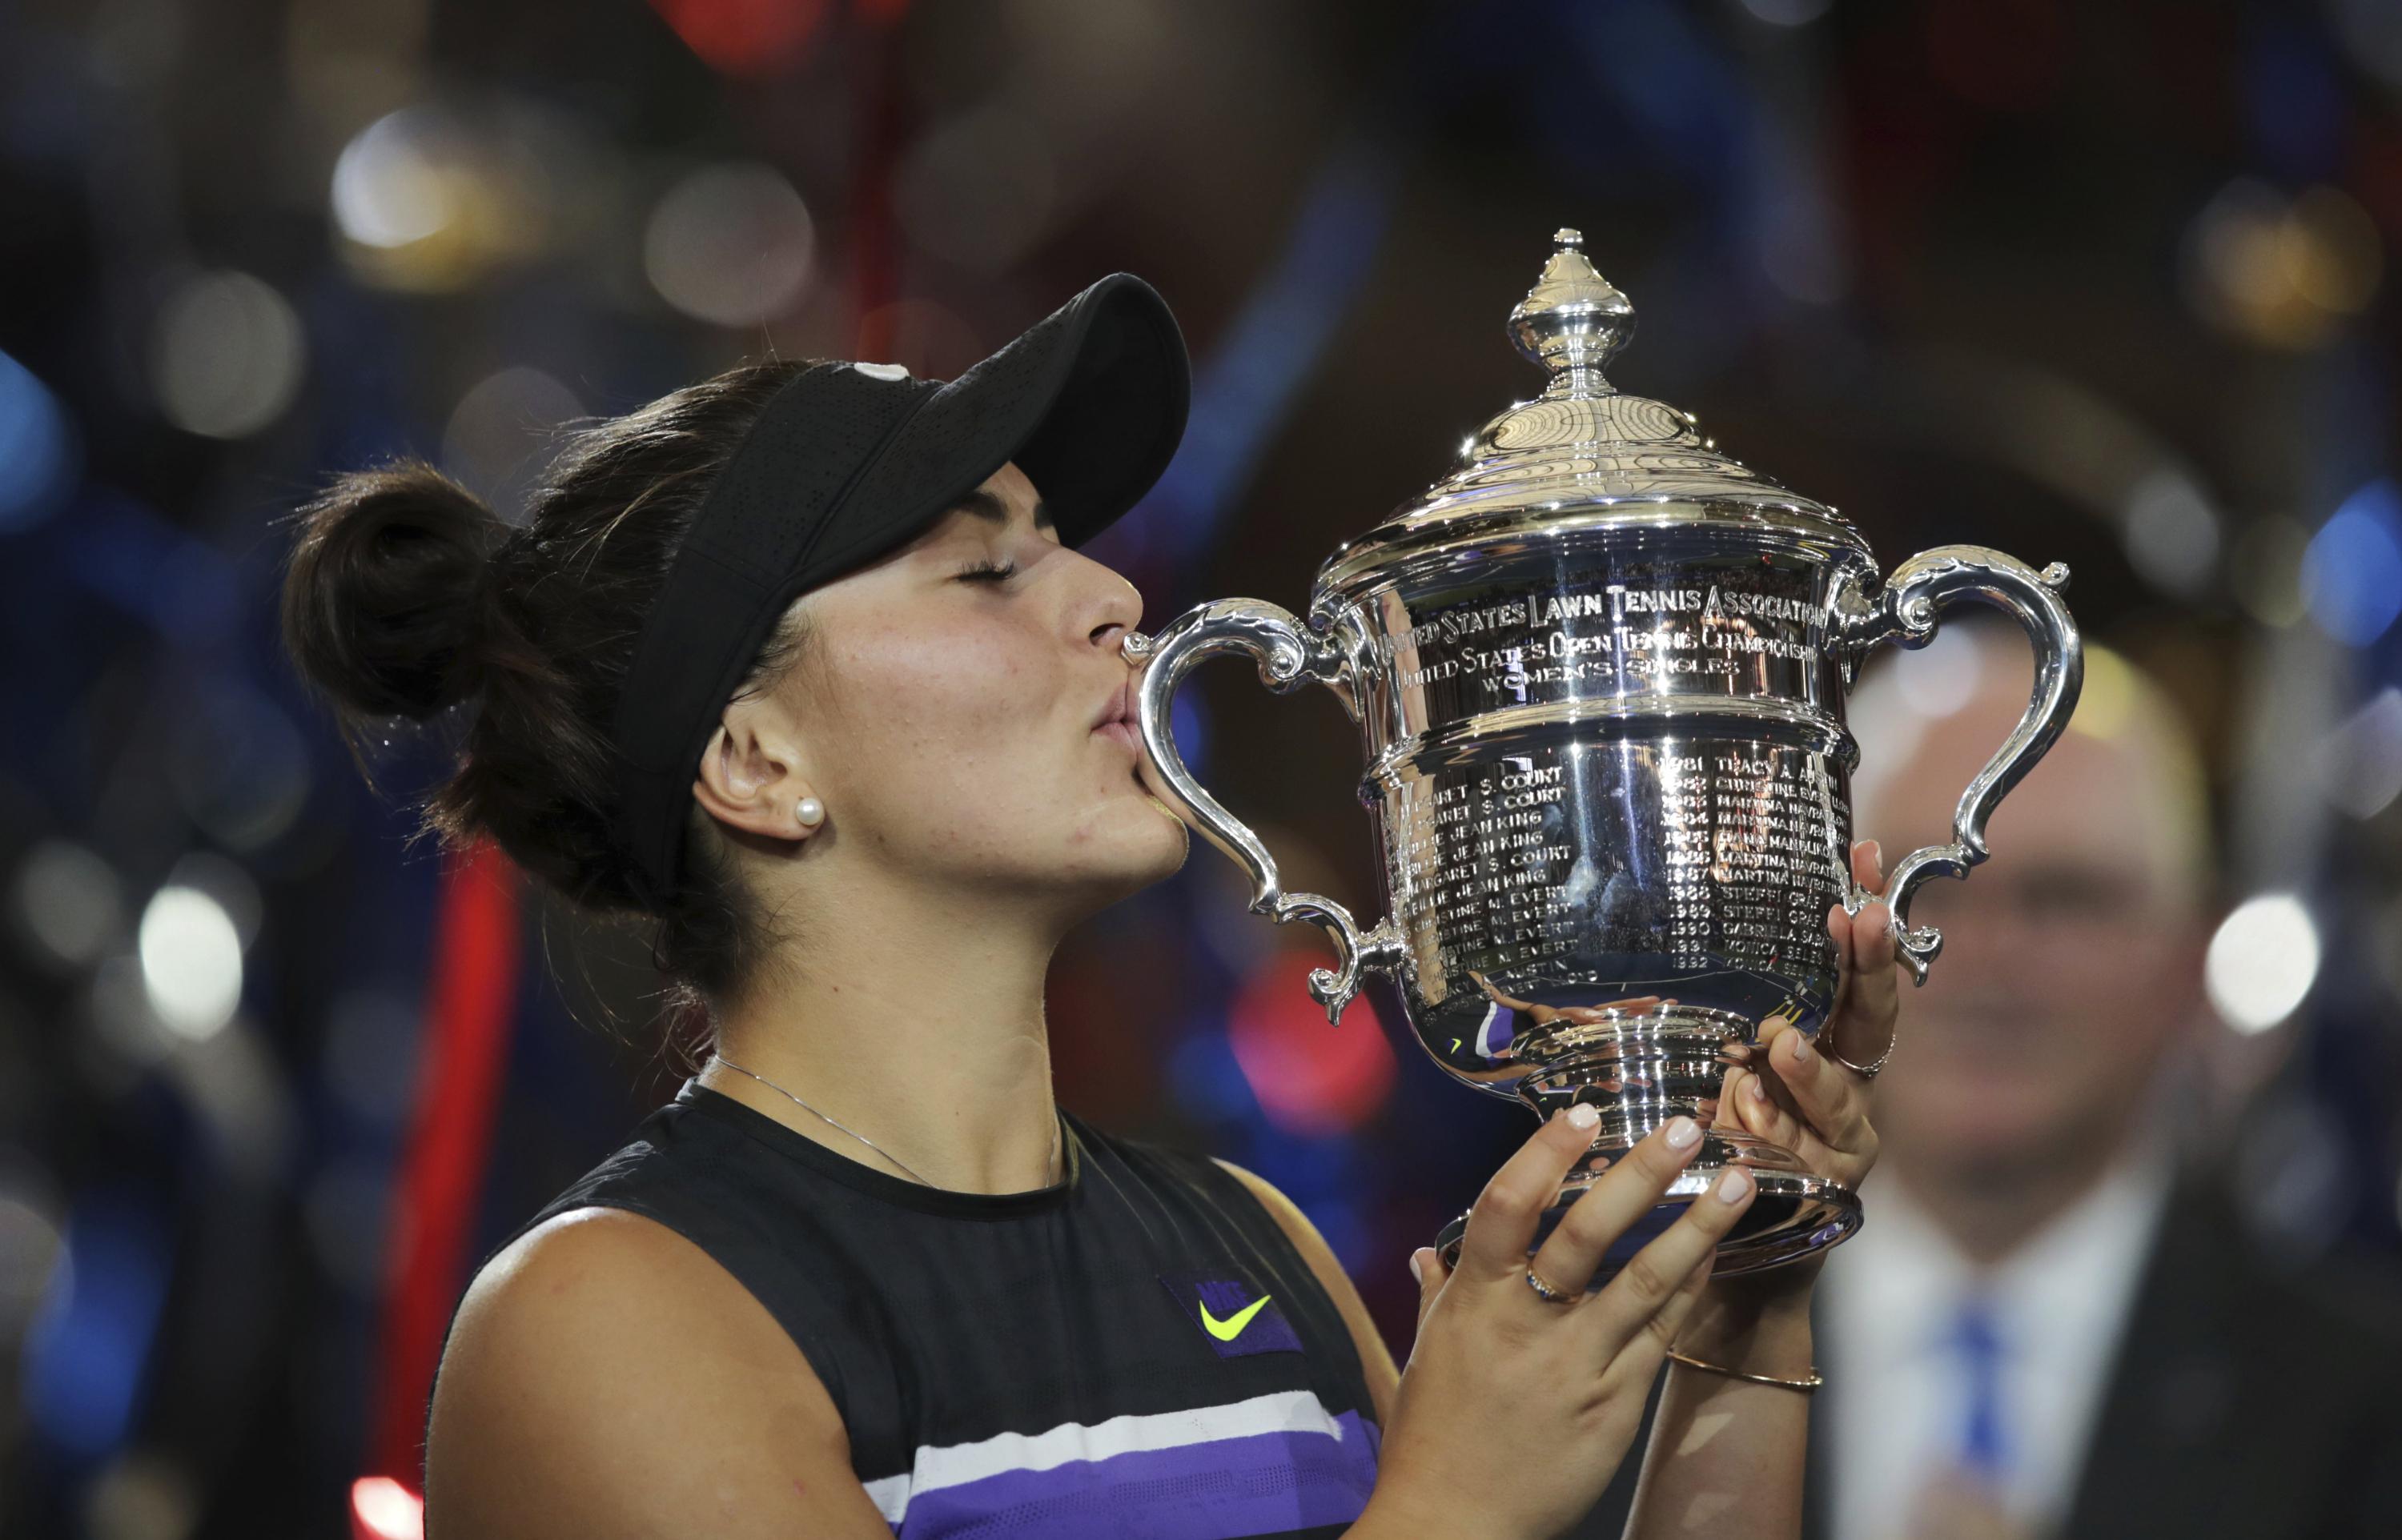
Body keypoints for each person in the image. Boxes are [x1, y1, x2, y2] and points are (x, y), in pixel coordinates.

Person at [279, 271, 1900, 1540]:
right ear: (757, 760)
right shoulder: (605, 1318)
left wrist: (1748, 1291)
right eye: (983, 570)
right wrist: (1458, 1505)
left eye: (1064, 543)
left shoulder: (1246, 1237)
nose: (1115, 597)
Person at [1807, 631, 2402, 1540]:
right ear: (1826, 939)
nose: (1990, 960)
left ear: (2190, 954)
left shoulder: (2365, 1406)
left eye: (2066, 898)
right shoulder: (1631, 1367)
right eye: (1927, 894)